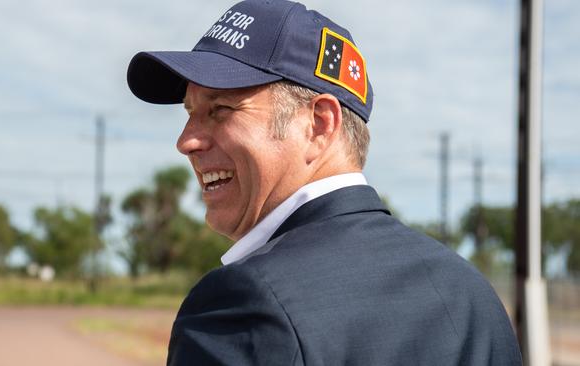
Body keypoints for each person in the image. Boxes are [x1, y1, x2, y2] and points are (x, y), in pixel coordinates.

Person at [127, 0, 522, 364]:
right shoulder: (470, 293)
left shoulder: (245, 305)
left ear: (318, 124)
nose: (186, 141)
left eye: (220, 109)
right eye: (190, 112)